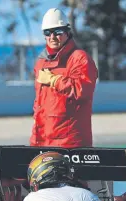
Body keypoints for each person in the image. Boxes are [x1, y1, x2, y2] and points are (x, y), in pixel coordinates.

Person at [31, 8, 99, 148]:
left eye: (58, 32)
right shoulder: (41, 63)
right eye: (47, 33)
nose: (53, 37)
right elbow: (39, 107)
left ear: (67, 32)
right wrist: (35, 141)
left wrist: (54, 80)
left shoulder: (79, 58)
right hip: (43, 142)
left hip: (70, 144)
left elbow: (82, 91)